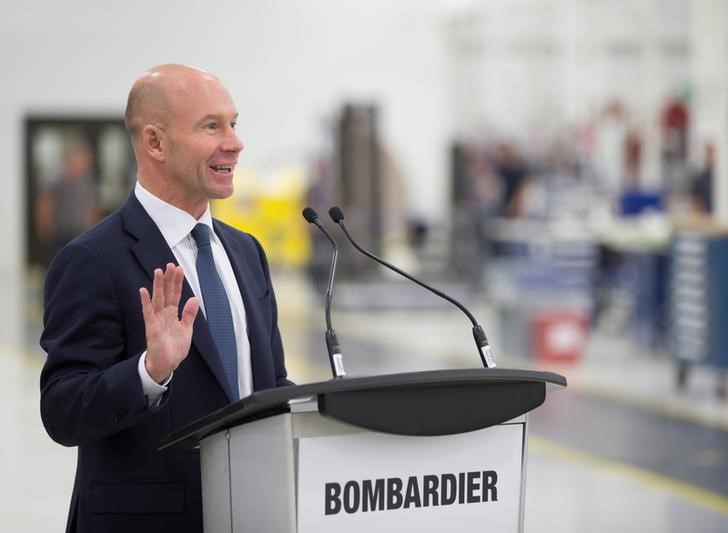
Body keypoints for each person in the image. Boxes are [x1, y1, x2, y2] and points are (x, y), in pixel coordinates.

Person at [39, 64, 293, 532]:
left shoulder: (245, 252)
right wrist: (149, 372)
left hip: (254, 514)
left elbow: (271, 384)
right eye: (211, 126)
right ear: (155, 142)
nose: (235, 142)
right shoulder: (92, 259)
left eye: (233, 123)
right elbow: (62, 411)